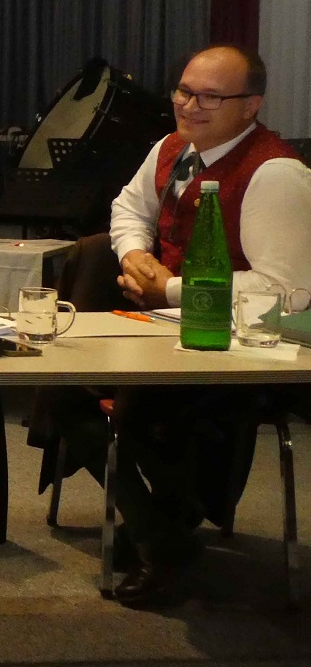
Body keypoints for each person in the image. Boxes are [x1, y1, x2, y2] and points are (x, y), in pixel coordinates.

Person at [85, 45, 310, 608]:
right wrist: (134, 254)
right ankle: (162, 531)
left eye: (210, 97)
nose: (189, 106)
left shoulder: (276, 174)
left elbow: (283, 291)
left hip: (238, 346)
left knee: (139, 407)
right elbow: (128, 209)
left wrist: (170, 290)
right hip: (161, 325)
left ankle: (162, 531)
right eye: (184, 91)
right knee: (62, 394)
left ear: (250, 106)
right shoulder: (172, 148)